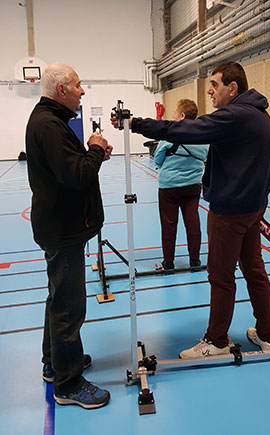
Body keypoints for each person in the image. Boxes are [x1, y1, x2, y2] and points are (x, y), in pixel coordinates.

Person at [111, 61, 270, 358]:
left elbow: (185, 129)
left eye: (215, 85)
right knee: (255, 271)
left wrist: (137, 124)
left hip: (231, 212)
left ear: (233, 88)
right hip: (252, 208)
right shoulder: (258, 114)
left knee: (220, 275)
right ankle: (266, 335)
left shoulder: (236, 116)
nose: (210, 91)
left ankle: (217, 341)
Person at [26, 63, 112, 408]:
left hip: (59, 225)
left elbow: (68, 167)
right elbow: (77, 175)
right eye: (77, 85)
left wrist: (93, 155)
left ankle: (55, 362)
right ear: (61, 89)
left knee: (57, 299)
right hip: (62, 230)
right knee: (68, 307)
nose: (82, 91)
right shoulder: (49, 125)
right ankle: (69, 383)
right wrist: (92, 149)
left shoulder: (51, 121)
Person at [153, 99, 209, 271]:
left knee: (169, 223)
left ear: (182, 116)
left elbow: (157, 159)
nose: (173, 117)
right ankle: (195, 260)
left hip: (169, 186)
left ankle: (168, 262)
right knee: (193, 221)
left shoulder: (170, 135)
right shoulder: (203, 137)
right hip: (192, 186)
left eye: (175, 113)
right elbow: (206, 156)